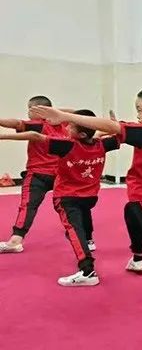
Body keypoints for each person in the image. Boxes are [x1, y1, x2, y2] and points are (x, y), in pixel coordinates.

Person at [32, 88, 142, 323]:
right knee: (130, 212)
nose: (137, 116)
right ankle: (138, 257)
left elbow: (112, 128)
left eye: (140, 110)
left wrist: (65, 116)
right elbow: (119, 130)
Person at [0, 110, 119, 286]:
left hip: (68, 198)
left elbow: (34, 135)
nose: (66, 128)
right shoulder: (100, 145)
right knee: (78, 225)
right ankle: (89, 243)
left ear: (81, 133)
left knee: (73, 231)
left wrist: (2, 137)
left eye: (70, 126)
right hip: (90, 196)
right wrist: (112, 125)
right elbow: (116, 137)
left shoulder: (67, 145)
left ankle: (88, 271)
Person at [0, 96, 68, 253]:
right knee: (69, 207)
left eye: (29, 110)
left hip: (39, 174)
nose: (28, 114)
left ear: (37, 110)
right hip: (61, 175)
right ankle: (85, 238)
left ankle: (16, 240)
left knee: (28, 206)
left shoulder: (38, 125)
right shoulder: (65, 124)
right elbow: (77, 113)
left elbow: (16, 123)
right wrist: (57, 112)